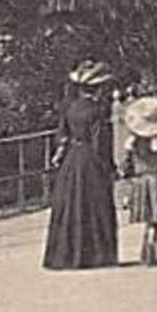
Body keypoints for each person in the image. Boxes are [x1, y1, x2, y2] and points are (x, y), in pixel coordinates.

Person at [43, 62, 121, 270]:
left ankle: (65, 255)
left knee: (70, 205)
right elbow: (100, 142)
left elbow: (62, 136)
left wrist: (59, 156)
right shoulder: (99, 110)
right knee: (95, 204)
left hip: (72, 159)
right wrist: (109, 167)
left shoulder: (70, 108)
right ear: (98, 88)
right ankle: (96, 255)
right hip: (90, 160)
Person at [120, 96, 157, 266]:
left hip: (139, 182)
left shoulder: (132, 143)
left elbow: (126, 167)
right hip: (154, 180)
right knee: (154, 218)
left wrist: (128, 177)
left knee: (146, 216)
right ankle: (150, 252)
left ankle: (145, 252)